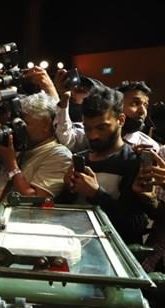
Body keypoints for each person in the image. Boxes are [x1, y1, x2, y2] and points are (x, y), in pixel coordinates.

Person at [60, 87, 153, 244]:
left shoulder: (133, 163)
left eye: (102, 127)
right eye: (88, 128)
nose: (93, 136)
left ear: (121, 120)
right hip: (72, 243)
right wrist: (68, 188)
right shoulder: (81, 158)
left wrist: (96, 194)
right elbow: (66, 212)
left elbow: (135, 225)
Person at [0, 91, 72, 202]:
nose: (17, 130)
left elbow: (35, 200)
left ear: (45, 124)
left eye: (23, 124)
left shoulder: (59, 155)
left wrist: (12, 165)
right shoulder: (20, 148)